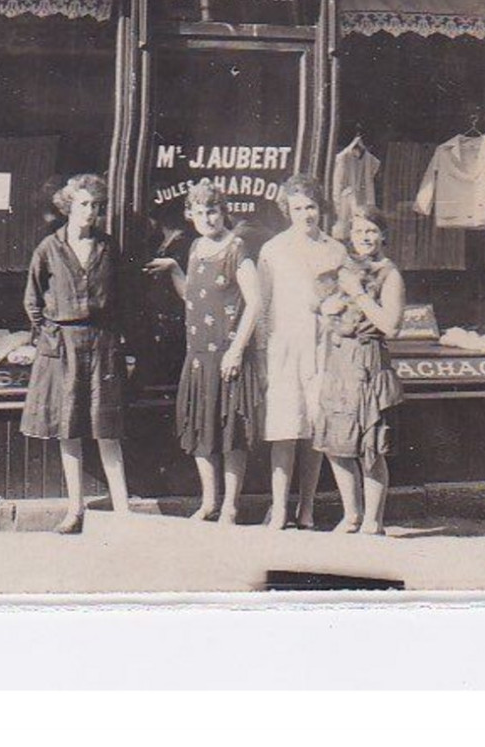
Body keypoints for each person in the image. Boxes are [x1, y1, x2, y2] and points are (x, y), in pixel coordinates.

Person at [20, 174, 133, 535]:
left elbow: (126, 296)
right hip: (63, 345)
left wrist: (120, 342)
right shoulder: (49, 249)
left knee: (107, 430)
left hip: (102, 343)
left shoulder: (108, 247)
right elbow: (33, 300)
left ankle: (124, 513)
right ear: (69, 205)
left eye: (97, 206)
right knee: (68, 430)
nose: (91, 212)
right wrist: (51, 335)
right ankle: (75, 510)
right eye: (85, 204)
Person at [145, 182, 264, 524]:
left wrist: (237, 351)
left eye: (212, 211)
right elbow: (193, 297)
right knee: (203, 431)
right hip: (198, 356)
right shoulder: (196, 247)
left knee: (230, 434)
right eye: (199, 213)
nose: (207, 218)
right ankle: (209, 502)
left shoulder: (237, 248)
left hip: (227, 355)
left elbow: (255, 303)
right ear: (191, 216)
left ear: (223, 211)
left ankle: (230, 505)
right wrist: (175, 270)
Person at [257, 175, 347, 530]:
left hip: (322, 346)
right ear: (287, 211)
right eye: (297, 208)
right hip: (284, 344)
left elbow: (344, 297)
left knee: (314, 428)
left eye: (310, 206)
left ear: (319, 208)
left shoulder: (335, 250)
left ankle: (306, 509)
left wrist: (332, 308)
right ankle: (279, 508)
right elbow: (263, 305)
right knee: (284, 427)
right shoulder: (273, 249)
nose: (305, 214)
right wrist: (262, 352)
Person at [314, 206, 406, 535]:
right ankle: (351, 515)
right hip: (340, 361)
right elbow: (323, 309)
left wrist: (359, 294)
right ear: (349, 236)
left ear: (382, 234)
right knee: (336, 445)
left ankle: (373, 521)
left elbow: (391, 326)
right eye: (358, 231)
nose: (365, 237)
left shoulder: (389, 274)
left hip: (369, 362)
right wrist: (327, 310)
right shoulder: (345, 268)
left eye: (371, 230)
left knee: (371, 447)